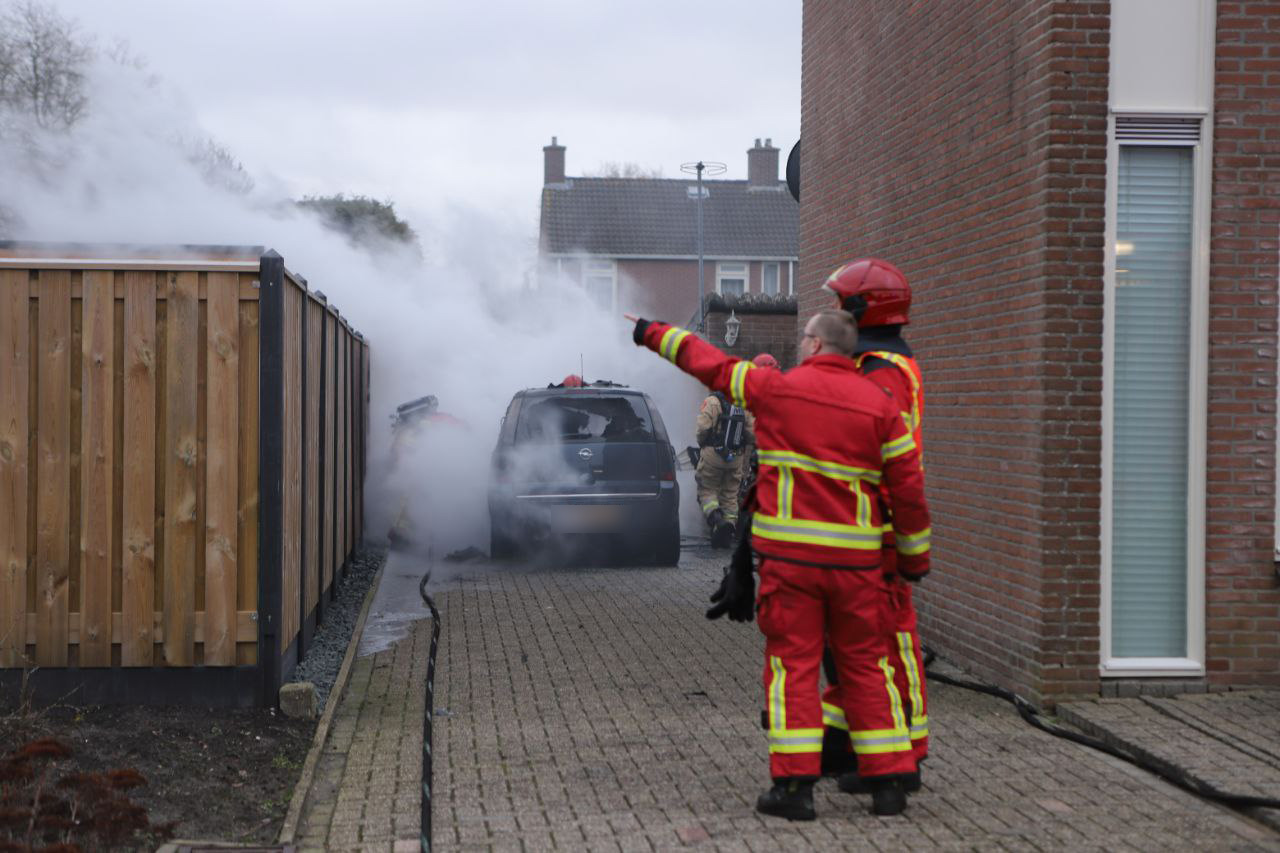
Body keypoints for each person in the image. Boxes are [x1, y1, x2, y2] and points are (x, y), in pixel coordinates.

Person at [627, 309, 931, 819]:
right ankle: (888, 785)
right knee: (865, 668)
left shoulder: (777, 388)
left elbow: (710, 364)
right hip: (857, 568)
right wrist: (913, 558)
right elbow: (909, 489)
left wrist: (650, 332)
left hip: (791, 566)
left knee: (793, 668)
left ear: (813, 345)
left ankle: (794, 791)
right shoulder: (881, 406)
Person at [817, 258, 931, 793]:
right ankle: (853, 749)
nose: (834, 311)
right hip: (866, 530)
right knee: (853, 648)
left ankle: (903, 757)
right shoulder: (876, 365)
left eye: (840, 302)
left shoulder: (883, 371)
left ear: (862, 309)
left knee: (889, 643)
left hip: (880, 534)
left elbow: (881, 458)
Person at [693, 353, 774, 548]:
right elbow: (753, 434)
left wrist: (703, 443)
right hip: (736, 458)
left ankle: (717, 520)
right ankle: (728, 526)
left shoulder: (712, 402)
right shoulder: (742, 402)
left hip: (713, 454)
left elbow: (702, 429)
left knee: (707, 490)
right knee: (730, 495)